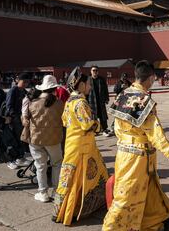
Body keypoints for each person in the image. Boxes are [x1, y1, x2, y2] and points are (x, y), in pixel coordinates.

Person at [103, 60, 169, 231]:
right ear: (151, 78)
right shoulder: (145, 101)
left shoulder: (122, 94)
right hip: (138, 157)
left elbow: (116, 127)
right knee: (125, 198)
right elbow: (158, 138)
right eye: (153, 79)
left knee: (150, 190)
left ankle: (160, 221)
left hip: (123, 153)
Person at [53, 68, 108, 225]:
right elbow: (88, 125)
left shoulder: (69, 101)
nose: (90, 87)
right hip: (83, 147)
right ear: (82, 85)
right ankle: (75, 209)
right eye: (88, 84)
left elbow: (64, 122)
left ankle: (60, 210)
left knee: (68, 177)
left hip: (72, 144)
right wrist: (98, 124)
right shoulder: (81, 103)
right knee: (88, 176)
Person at [21, 75, 64, 203]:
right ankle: (56, 192)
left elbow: (25, 120)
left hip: (35, 139)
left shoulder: (32, 102)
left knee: (40, 165)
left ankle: (43, 192)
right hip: (54, 139)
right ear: (55, 88)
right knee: (57, 164)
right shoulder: (59, 103)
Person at [5, 73, 31, 169]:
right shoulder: (13, 90)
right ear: (18, 80)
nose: (25, 84)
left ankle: (20, 158)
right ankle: (11, 160)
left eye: (27, 82)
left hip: (21, 119)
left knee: (20, 139)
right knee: (13, 140)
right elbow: (9, 106)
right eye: (24, 82)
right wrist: (15, 117)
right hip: (14, 119)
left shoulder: (23, 91)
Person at [103, 73, 132, 137]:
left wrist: (128, 87)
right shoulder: (118, 83)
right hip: (119, 101)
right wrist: (121, 87)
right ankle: (113, 127)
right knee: (117, 114)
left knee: (125, 114)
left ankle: (124, 127)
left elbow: (132, 89)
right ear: (121, 78)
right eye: (123, 78)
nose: (124, 79)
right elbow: (115, 90)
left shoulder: (128, 83)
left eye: (125, 78)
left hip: (126, 101)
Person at [88, 66, 109, 133]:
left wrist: (107, 98)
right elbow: (86, 90)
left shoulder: (101, 79)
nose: (95, 72)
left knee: (103, 115)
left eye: (96, 70)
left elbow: (106, 89)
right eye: (93, 70)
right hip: (92, 100)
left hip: (101, 100)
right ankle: (95, 130)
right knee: (93, 116)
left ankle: (104, 129)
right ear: (91, 72)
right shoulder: (88, 80)